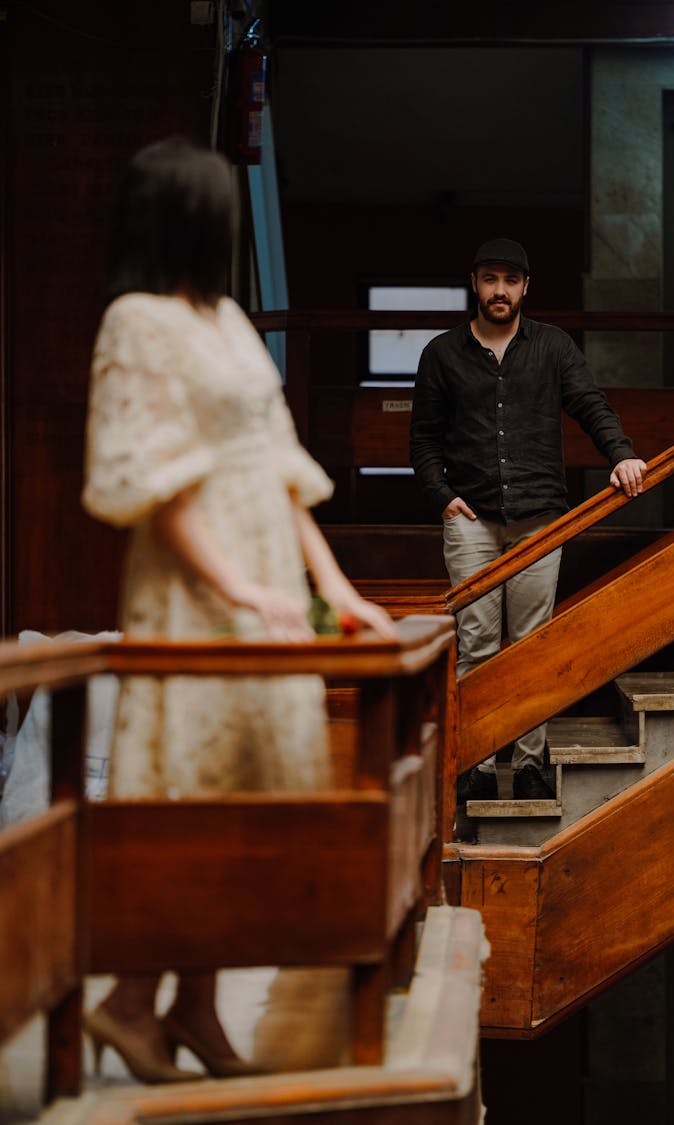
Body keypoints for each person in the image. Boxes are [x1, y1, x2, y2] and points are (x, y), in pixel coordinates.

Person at [81, 137, 396, 1084]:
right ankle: (132, 1002)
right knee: (191, 797)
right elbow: (152, 476)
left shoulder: (224, 320)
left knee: (251, 809)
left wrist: (332, 590)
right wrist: (238, 587)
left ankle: (191, 1010)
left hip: (264, 587)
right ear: (185, 215)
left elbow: (281, 467)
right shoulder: (134, 321)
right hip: (191, 594)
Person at [410, 238, 646, 802]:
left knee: (532, 645)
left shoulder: (553, 346)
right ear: (475, 283)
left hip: (541, 519)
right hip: (470, 519)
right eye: (490, 279)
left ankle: (531, 764)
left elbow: (591, 404)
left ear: (525, 287)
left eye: (510, 280)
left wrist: (622, 454)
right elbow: (422, 441)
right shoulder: (442, 353)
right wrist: (441, 495)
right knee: (477, 645)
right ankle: (478, 765)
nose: (500, 290)